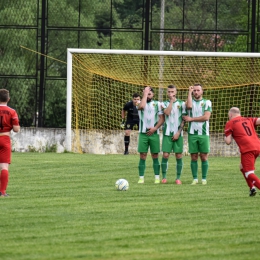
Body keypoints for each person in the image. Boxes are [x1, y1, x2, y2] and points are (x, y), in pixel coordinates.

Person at [224, 107, 260, 196]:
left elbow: (228, 142)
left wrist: (225, 136)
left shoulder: (230, 123)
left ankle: (256, 186)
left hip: (247, 149)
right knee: (242, 167)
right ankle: (252, 188)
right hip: (257, 146)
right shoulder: (248, 119)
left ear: (231, 114)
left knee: (249, 173)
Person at [182, 84, 212, 185]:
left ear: (202, 91)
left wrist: (191, 119)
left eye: (198, 90)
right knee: (193, 156)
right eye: (194, 90)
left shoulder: (207, 102)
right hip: (192, 134)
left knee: (203, 156)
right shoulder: (189, 101)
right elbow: (189, 106)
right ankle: (195, 179)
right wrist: (189, 93)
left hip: (203, 134)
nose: (196, 92)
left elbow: (206, 117)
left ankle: (204, 179)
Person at [137, 86, 164, 184]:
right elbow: (142, 107)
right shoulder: (138, 102)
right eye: (145, 93)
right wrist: (145, 94)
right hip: (143, 133)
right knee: (143, 155)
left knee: (155, 155)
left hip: (154, 134)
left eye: (149, 93)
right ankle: (141, 178)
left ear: (153, 95)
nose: (148, 95)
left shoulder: (158, 104)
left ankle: (157, 177)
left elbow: (162, 118)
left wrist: (155, 128)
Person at [161, 85, 186, 184]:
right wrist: (171, 101)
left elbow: (184, 120)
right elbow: (167, 113)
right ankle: (164, 177)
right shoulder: (163, 103)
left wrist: (178, 133)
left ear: (176, 92)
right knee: (165, 155)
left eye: (172, 91)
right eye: (169, 92)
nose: (170, 93)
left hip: (178, 134)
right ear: (167, 93)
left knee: (179, 155)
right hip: (167, 133)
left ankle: (178, 178)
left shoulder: (182, 104)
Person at [0, 89, 20, 197]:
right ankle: (2, 192)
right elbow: (16, 129)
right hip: (5, 138)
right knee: (4, 167)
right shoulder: (12, 112)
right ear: (8, 99)